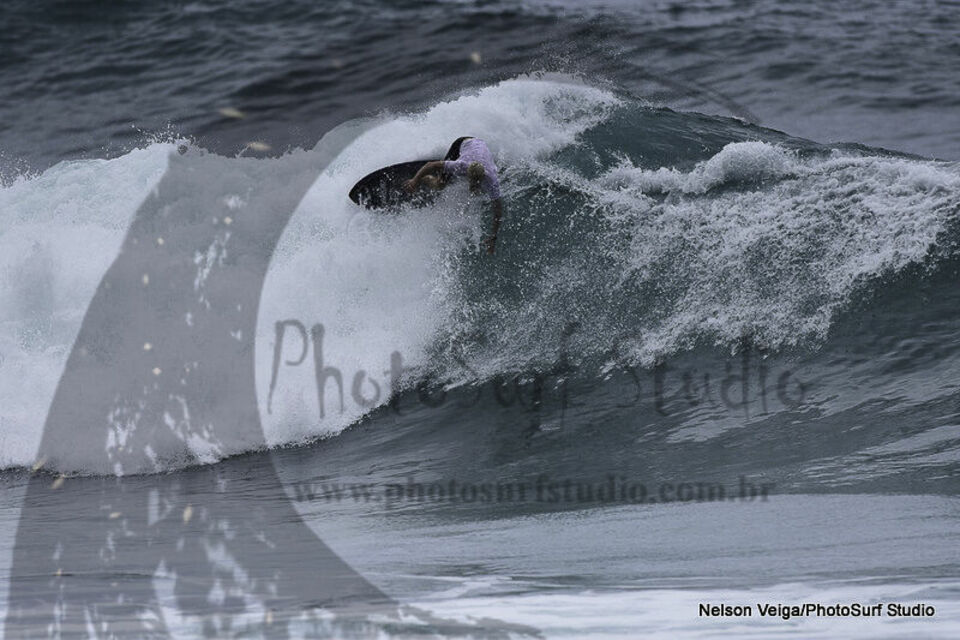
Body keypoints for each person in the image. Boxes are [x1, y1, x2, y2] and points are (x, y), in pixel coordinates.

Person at [404, 137, 504, 254]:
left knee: (479, 191)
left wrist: (493, 236)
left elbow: (497, 209)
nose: (475, 182)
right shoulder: (461, 165)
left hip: (480, 145)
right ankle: (424, 179)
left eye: (478, 181)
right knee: (440, 184)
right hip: (462, 143)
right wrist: (414, 181)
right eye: (472, 180)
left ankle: (446, 174)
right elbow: (430, 165)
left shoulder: (491, 178)